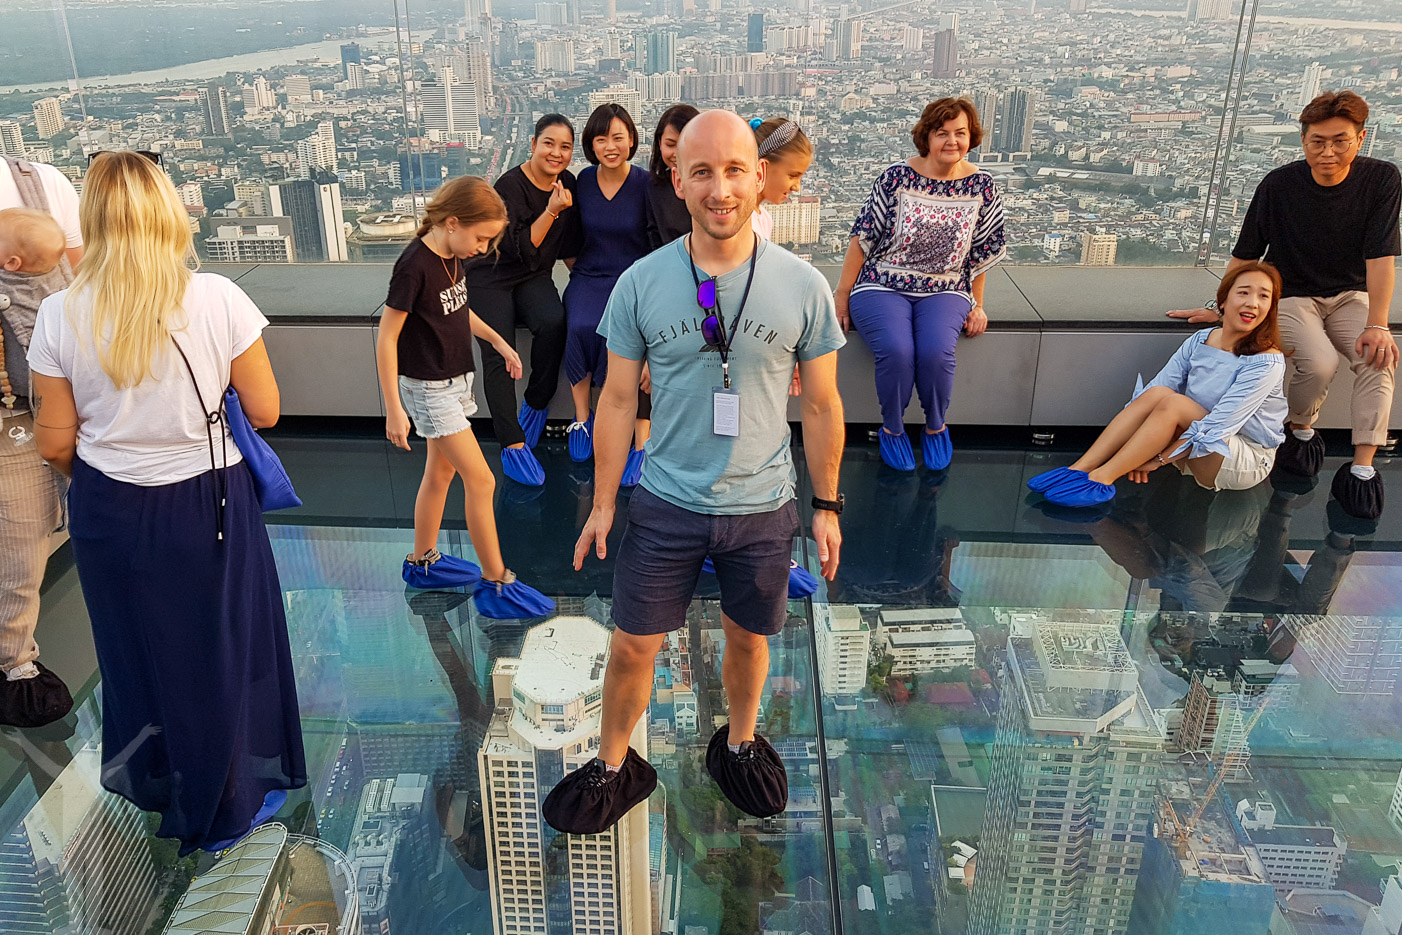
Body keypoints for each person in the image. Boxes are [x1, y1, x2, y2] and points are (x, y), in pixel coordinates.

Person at [541, 109, 847, 835]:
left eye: (735, 169)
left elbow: (827, 404)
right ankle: (614, 764)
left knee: (750, 637)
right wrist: (604, 501)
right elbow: (616, 398)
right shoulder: (642, 283)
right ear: (676, 180)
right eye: (702, 171)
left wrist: (827, 504)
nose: (720, 189)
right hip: (667, 497)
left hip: (763, 501)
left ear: (761, 178)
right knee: (632, 643)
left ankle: (739, 743)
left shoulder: (802, 285)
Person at [27, 151, 306, 854]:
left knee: (138, 654)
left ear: (90, 221)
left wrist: (109, 466)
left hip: (107, 513)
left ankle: (163, 785)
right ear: (166, 214)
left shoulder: (60, 313)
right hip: (206, 505)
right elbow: (267, 409)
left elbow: (53, 441)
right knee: (221, 646)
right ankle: (232, 794)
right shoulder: (215, 297)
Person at [1169, 90, 1399, 520]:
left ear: (1361, 139)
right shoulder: (1280, 184)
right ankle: (1300, 430)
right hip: (1290, 293)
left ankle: (1363, 469)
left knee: (1377, 357)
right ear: (1303, 140)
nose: (1328, 152)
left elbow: (1381, 259)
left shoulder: (1382, 180)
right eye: (1317, 141)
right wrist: (1220, 308)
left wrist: (1378, 324)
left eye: (1340, 141)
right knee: (1318, 361)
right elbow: (1247, 254)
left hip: (1351, 294)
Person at [377, 176, 555, 620]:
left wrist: (499, 341)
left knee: (440, 476)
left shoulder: (451, 256)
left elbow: (459, 310)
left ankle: (422, 561)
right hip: (429, 389)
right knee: (483, 481)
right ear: (452, 222)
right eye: (480, 238)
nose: (482, 248)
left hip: (455, 383)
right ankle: (497, 581)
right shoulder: (414, 265)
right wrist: (394, 410)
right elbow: (386, 338)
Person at [834, 97, 1007, 473]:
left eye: (959, 133)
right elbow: (863, 236)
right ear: (926, 136)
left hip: (946, 287)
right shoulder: (897, 177)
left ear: (971, 137)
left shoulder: (981, 185)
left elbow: (982, 251)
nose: (951, 141)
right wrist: (842, 294)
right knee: (896, 350)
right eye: (941, 133)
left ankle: (935, 425)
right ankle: (892, 428)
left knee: (934, 353)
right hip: (882, 281)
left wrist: (978, 304)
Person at [1030, 261, 1288, 507]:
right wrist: (1140, 447)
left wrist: (1157, 460)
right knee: (1158, 393)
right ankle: (1079, 470)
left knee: (1174, 402)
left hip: (1241, 457)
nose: (1252, 303)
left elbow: (1219, 427)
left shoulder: (1266, 362)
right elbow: (1155, 392)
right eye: (1244, 292)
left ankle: (1102, 478)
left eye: (1264, 297)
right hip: (1192, 440)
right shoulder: (1201, 339)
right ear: (1222, 301)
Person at [0, 154, 83, 731]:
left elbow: (79, 285)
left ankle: (16, 665)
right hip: (27, 406)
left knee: (24, 540)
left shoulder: (42, 181)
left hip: (25, 411)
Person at [463, 114, 583, 487]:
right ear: (533, 145)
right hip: (491, 275)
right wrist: (551, 210)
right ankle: (511, 441)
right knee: (499, 355)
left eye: (565, 147)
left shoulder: (569, 184)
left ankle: (536, 400)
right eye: (548, 143)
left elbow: (569, 245)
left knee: (553, 323)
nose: (556, 153)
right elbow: (521, 249)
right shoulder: (509, 187)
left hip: (531, 278)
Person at [562, 103, 651, 484]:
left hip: (633, 278)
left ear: (631, 139)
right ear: (591, 145)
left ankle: (638, 437)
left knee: (631, 335)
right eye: (601, 139)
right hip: (588, 273)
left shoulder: (647, 183)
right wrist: (580, 273)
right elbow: (570, 236)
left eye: (618, 137)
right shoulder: (581, 182)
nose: (610, 146)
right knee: (580, 323)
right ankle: (583, 418)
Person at [645, 104, 699, 250]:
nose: (677, 153)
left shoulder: (714, 186)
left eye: (685, 143)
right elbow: (653, 238)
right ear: (659, 144)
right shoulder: (655, 187)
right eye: (670, 144)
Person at [750, 117, 813, 241]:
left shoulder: (765, 218)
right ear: (761, 168)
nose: (796, 187)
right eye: (793, 176)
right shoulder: (739, 223)